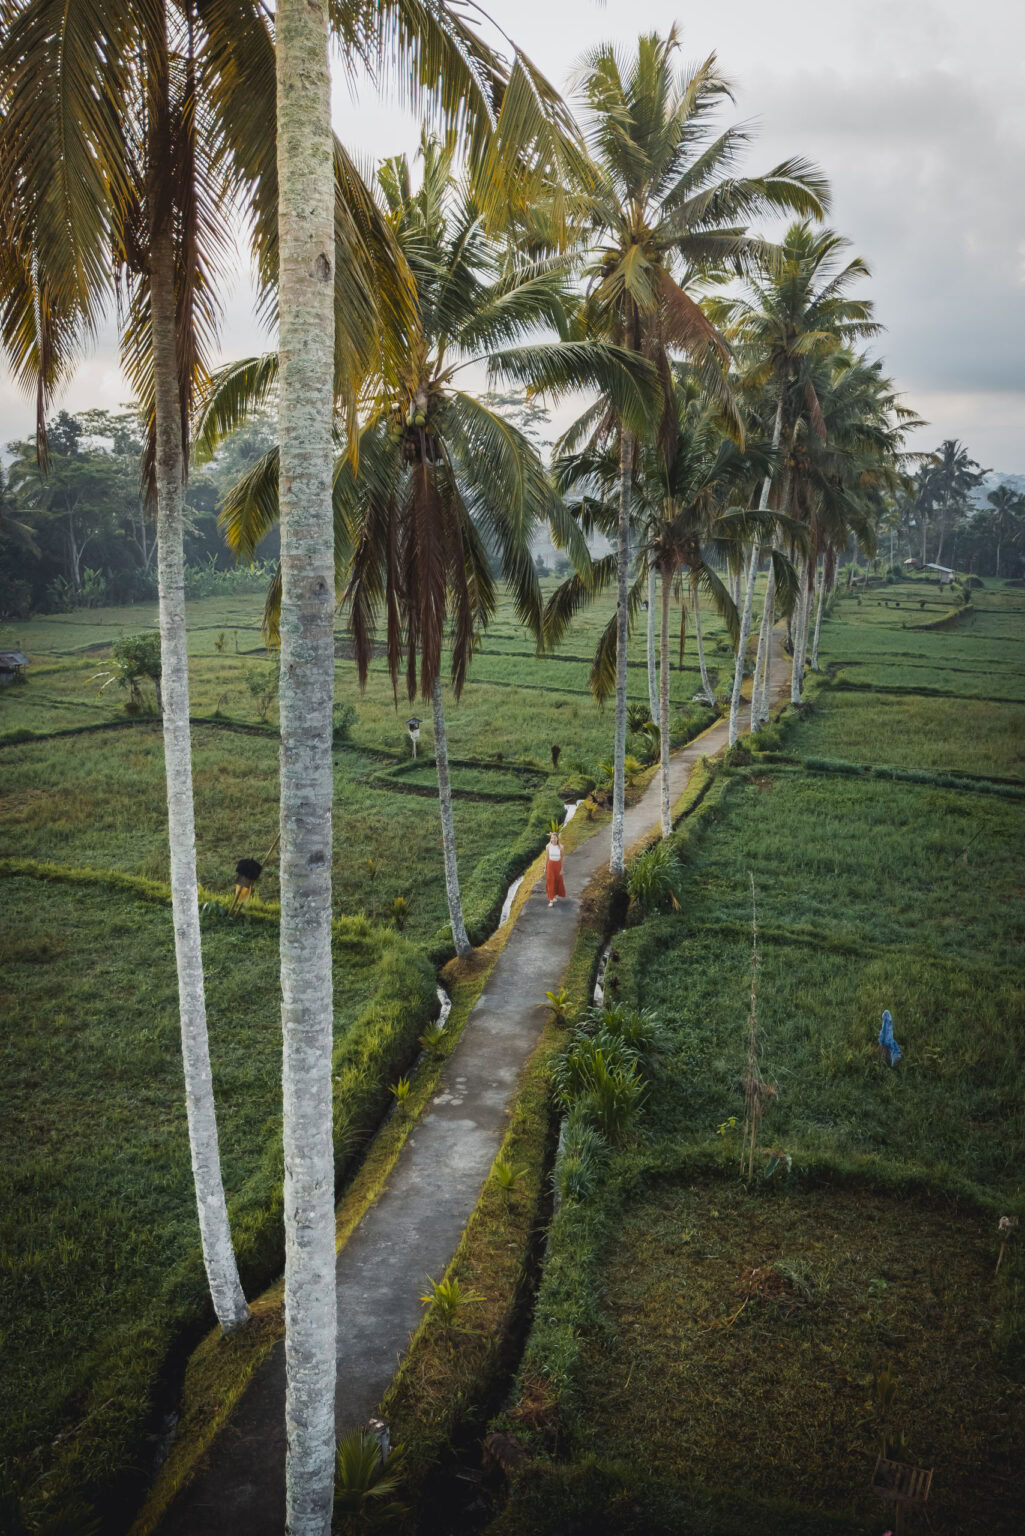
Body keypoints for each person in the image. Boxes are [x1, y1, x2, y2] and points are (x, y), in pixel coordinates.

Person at [545, 829, 566, 907]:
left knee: (557, 881)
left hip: (558, 865)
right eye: (552, 838)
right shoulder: (548, 846)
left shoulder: (561, 847)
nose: (553, 839)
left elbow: (562, 857)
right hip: (550, 865)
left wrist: (562, 868)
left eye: (554, 838)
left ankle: (554, 896)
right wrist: (545, 867)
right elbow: (546, 858)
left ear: (557, 839)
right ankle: (550, 899)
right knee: (551, 881)